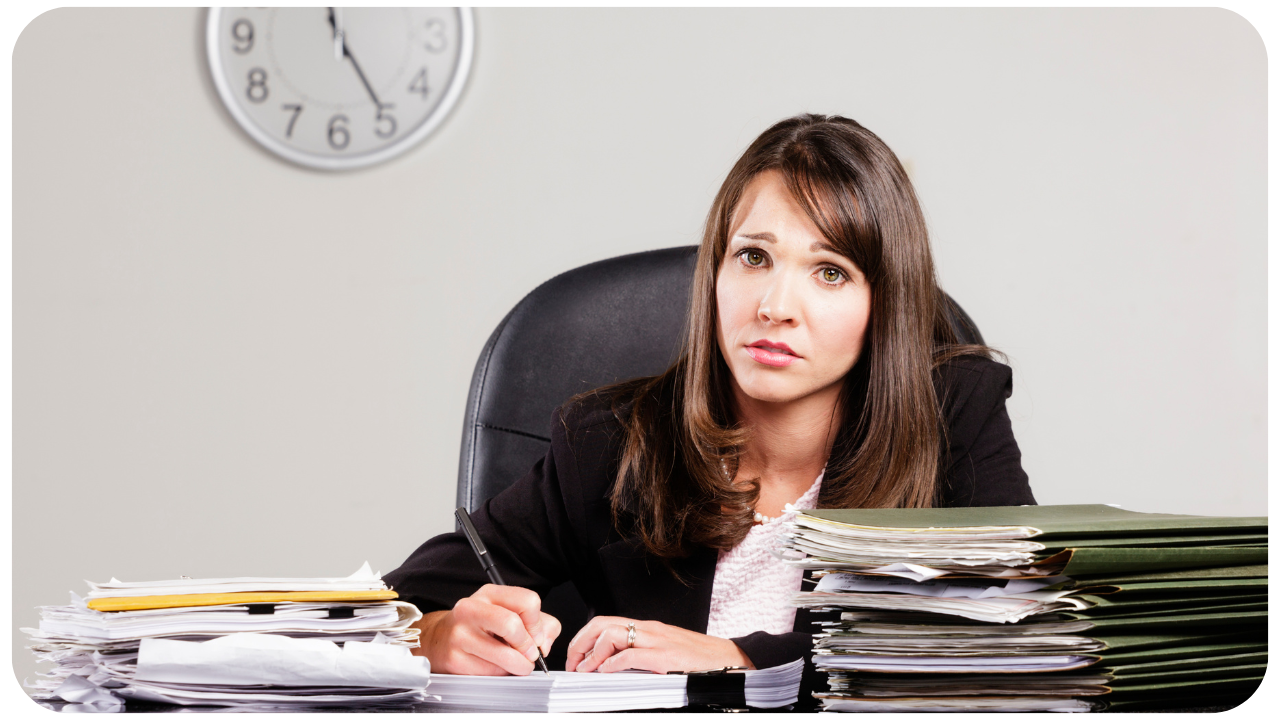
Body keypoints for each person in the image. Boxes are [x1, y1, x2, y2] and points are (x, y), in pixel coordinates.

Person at [383, 114, 1034, 692]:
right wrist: (438, 635)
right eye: (752, 257)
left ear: (884, 305)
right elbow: (398, 602)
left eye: (830, 271)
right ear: (715, 274)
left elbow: (1021, 627)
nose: (775, 307)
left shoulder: (951, 414)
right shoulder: (615, 441)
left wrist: (737, 659)